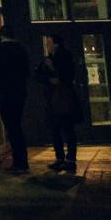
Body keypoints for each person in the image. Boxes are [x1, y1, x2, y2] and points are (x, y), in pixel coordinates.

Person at [0, 27, 33, 172]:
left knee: (11, 127)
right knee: (16, 126)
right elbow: (27, 71)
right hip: (19, 93)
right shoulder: (21, 51)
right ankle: (21, 160)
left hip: (3, 93)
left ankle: (20, 163)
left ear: (0, 36)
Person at [35, 34, 83, 172]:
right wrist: (49, 79)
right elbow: (38, 75)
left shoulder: (62, 57)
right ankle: (62, 158)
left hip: (62, 98)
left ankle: (68, 158)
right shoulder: (49, 58)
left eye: (49, 43)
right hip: (55, 98)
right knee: (57, 128)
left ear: (56, 44)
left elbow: (67, 75)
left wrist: (54, 74)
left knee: (66, 128)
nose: (47, 46)